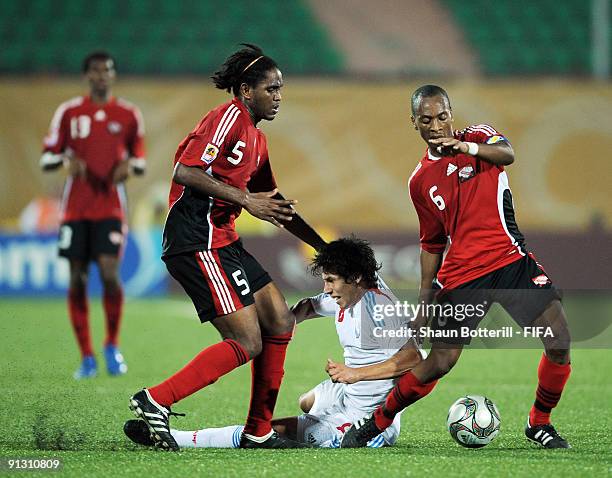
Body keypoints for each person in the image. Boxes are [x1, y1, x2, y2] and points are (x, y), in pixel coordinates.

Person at [341, 85, 572, 449]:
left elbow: (507, 154)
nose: (436, 125)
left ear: (452, 113)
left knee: (559, 340)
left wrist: (466, 148)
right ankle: (376, 422)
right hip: (462, 277)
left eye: (442, 116)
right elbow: (431, 243)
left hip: (512, 262)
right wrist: (425, 301)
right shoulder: (419, 181)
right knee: (441, 362)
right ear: (414, 122)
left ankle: (539, 422)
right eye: (426, 119)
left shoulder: (479, 137)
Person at [128, 44, 326, 451]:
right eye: (271, 88)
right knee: (247, 341)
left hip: (224, 240)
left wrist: (325, 248)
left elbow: (271, 199)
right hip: (196, 239)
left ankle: (258, 432)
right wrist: (245, 200)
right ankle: (155, 400)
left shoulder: (258, 139)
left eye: (281, 89)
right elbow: (185, 169)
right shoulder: (228, 117)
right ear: (245, 90)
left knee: (281, 321)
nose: (278, 96)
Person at [124, 237, 424, 449]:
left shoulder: (378, 311)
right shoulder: (352, 293)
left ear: (356, 278)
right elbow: (308, 306)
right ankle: (319, 413)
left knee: (270, 432)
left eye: (331, 280)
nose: (327, 288)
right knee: (307, 402)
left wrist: (355, 373)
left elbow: (413, 359)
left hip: (365, 419)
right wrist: (281, 331)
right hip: (346, 395)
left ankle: (177, 438)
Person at [40, 51, 146, 379]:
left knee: (110, 273)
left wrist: (129, 165)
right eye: (96, 71)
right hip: (76, 208)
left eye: (108, 71)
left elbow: (140, 160)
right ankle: (86, 355)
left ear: (113, 76)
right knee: (77, 277)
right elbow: (47, 157)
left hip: (111, 206)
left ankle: (111, 345)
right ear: (87, 75)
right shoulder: (69, 112)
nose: (102, 76)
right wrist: (65, 162)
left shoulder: (128, 114)